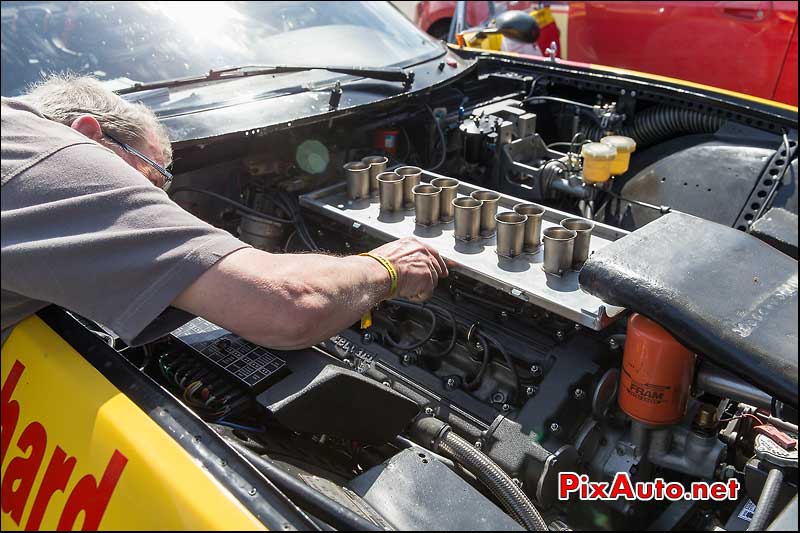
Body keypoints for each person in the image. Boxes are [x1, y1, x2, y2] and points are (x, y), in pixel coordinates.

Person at [1, 74, 446, 349]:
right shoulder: (62, 162)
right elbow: (287, 305)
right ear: (90, 133)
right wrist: (388, 267)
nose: (157, 198)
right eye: (154, 176)